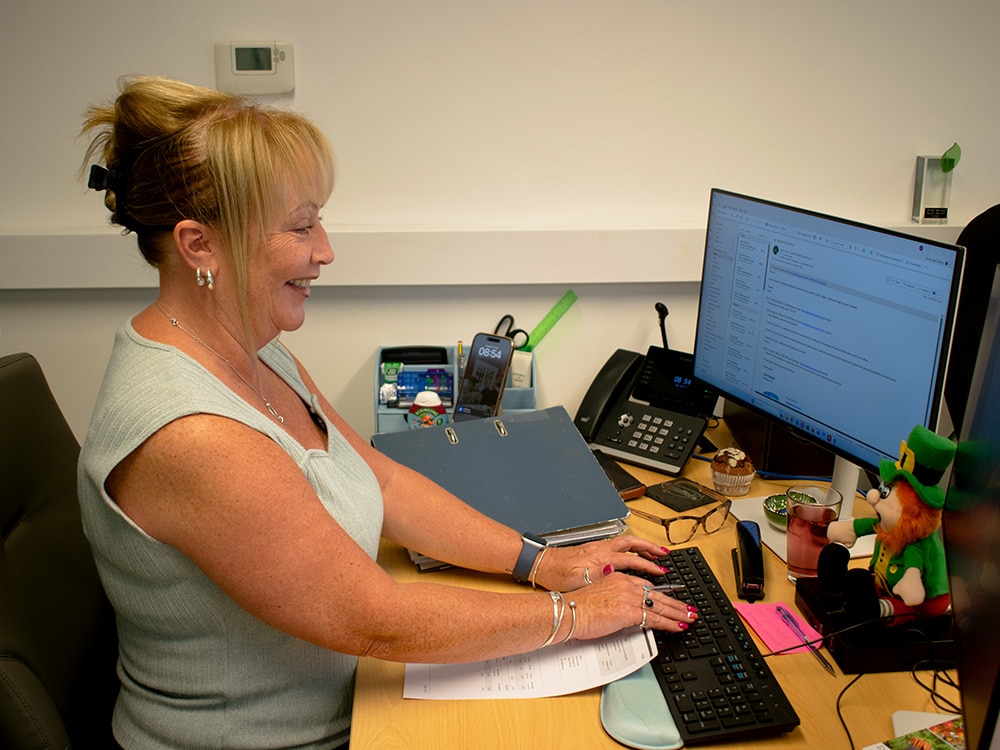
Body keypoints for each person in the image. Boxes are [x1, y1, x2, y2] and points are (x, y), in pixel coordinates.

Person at [77, 76, 696, 750]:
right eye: (301, 225)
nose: (325, 250)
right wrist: (570, 616)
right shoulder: (194, 434)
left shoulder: (248, 347)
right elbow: (373, 619)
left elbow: (385, 481)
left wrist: (538, 562)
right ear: (200, 245)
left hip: (348, 695)